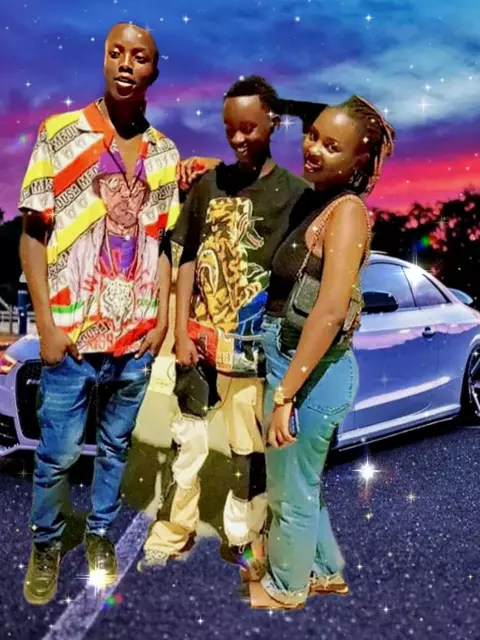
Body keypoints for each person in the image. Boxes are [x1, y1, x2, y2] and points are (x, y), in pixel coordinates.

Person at [19, 22, 216, 606]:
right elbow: (32, 234)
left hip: (135, 341)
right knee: (56, 456)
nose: (127, 64)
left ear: (155, 70)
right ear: (104, 61)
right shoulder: (60, 134)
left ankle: (100, 533)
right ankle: (47, 542)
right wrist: (46, 326)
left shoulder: (164, 154)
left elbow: (164, 243)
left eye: (140, 57)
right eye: (116, 53)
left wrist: (162, 321)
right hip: (71, 337)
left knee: (115, 450)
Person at [140, 76, 309, 573]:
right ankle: (177, 528)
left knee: (247, 450)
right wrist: (180, 332)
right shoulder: (207, 186)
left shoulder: (295, 195)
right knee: (187, 442)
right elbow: (187, 257)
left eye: (249, 128)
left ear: (273, 123)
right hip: (199, 344)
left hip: (252, 351)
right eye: (230, 128)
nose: (238, 138)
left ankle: (242, 535)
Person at [244, 95, 395, 609]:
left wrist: (285, 395)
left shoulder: (346, 213)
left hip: (307, 372)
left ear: (357, 162)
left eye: (332, 146)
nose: (314, 149)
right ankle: (326, 571)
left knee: (288, 490)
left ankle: (286, 589)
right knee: (303, 481)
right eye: (313, 136)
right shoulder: (320, 200)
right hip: (298, 363)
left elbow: (329, 311)